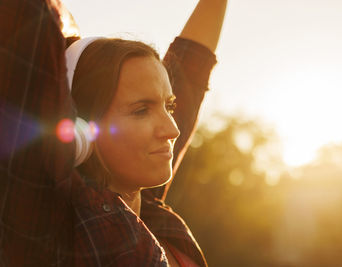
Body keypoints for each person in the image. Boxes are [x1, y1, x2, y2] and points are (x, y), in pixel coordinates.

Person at [0, 0, 227, 266]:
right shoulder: (50, 227)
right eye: (141, 110)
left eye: (169, 106)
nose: (173, 129)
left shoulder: (149, 209)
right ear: (82, 129)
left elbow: (194, 63)